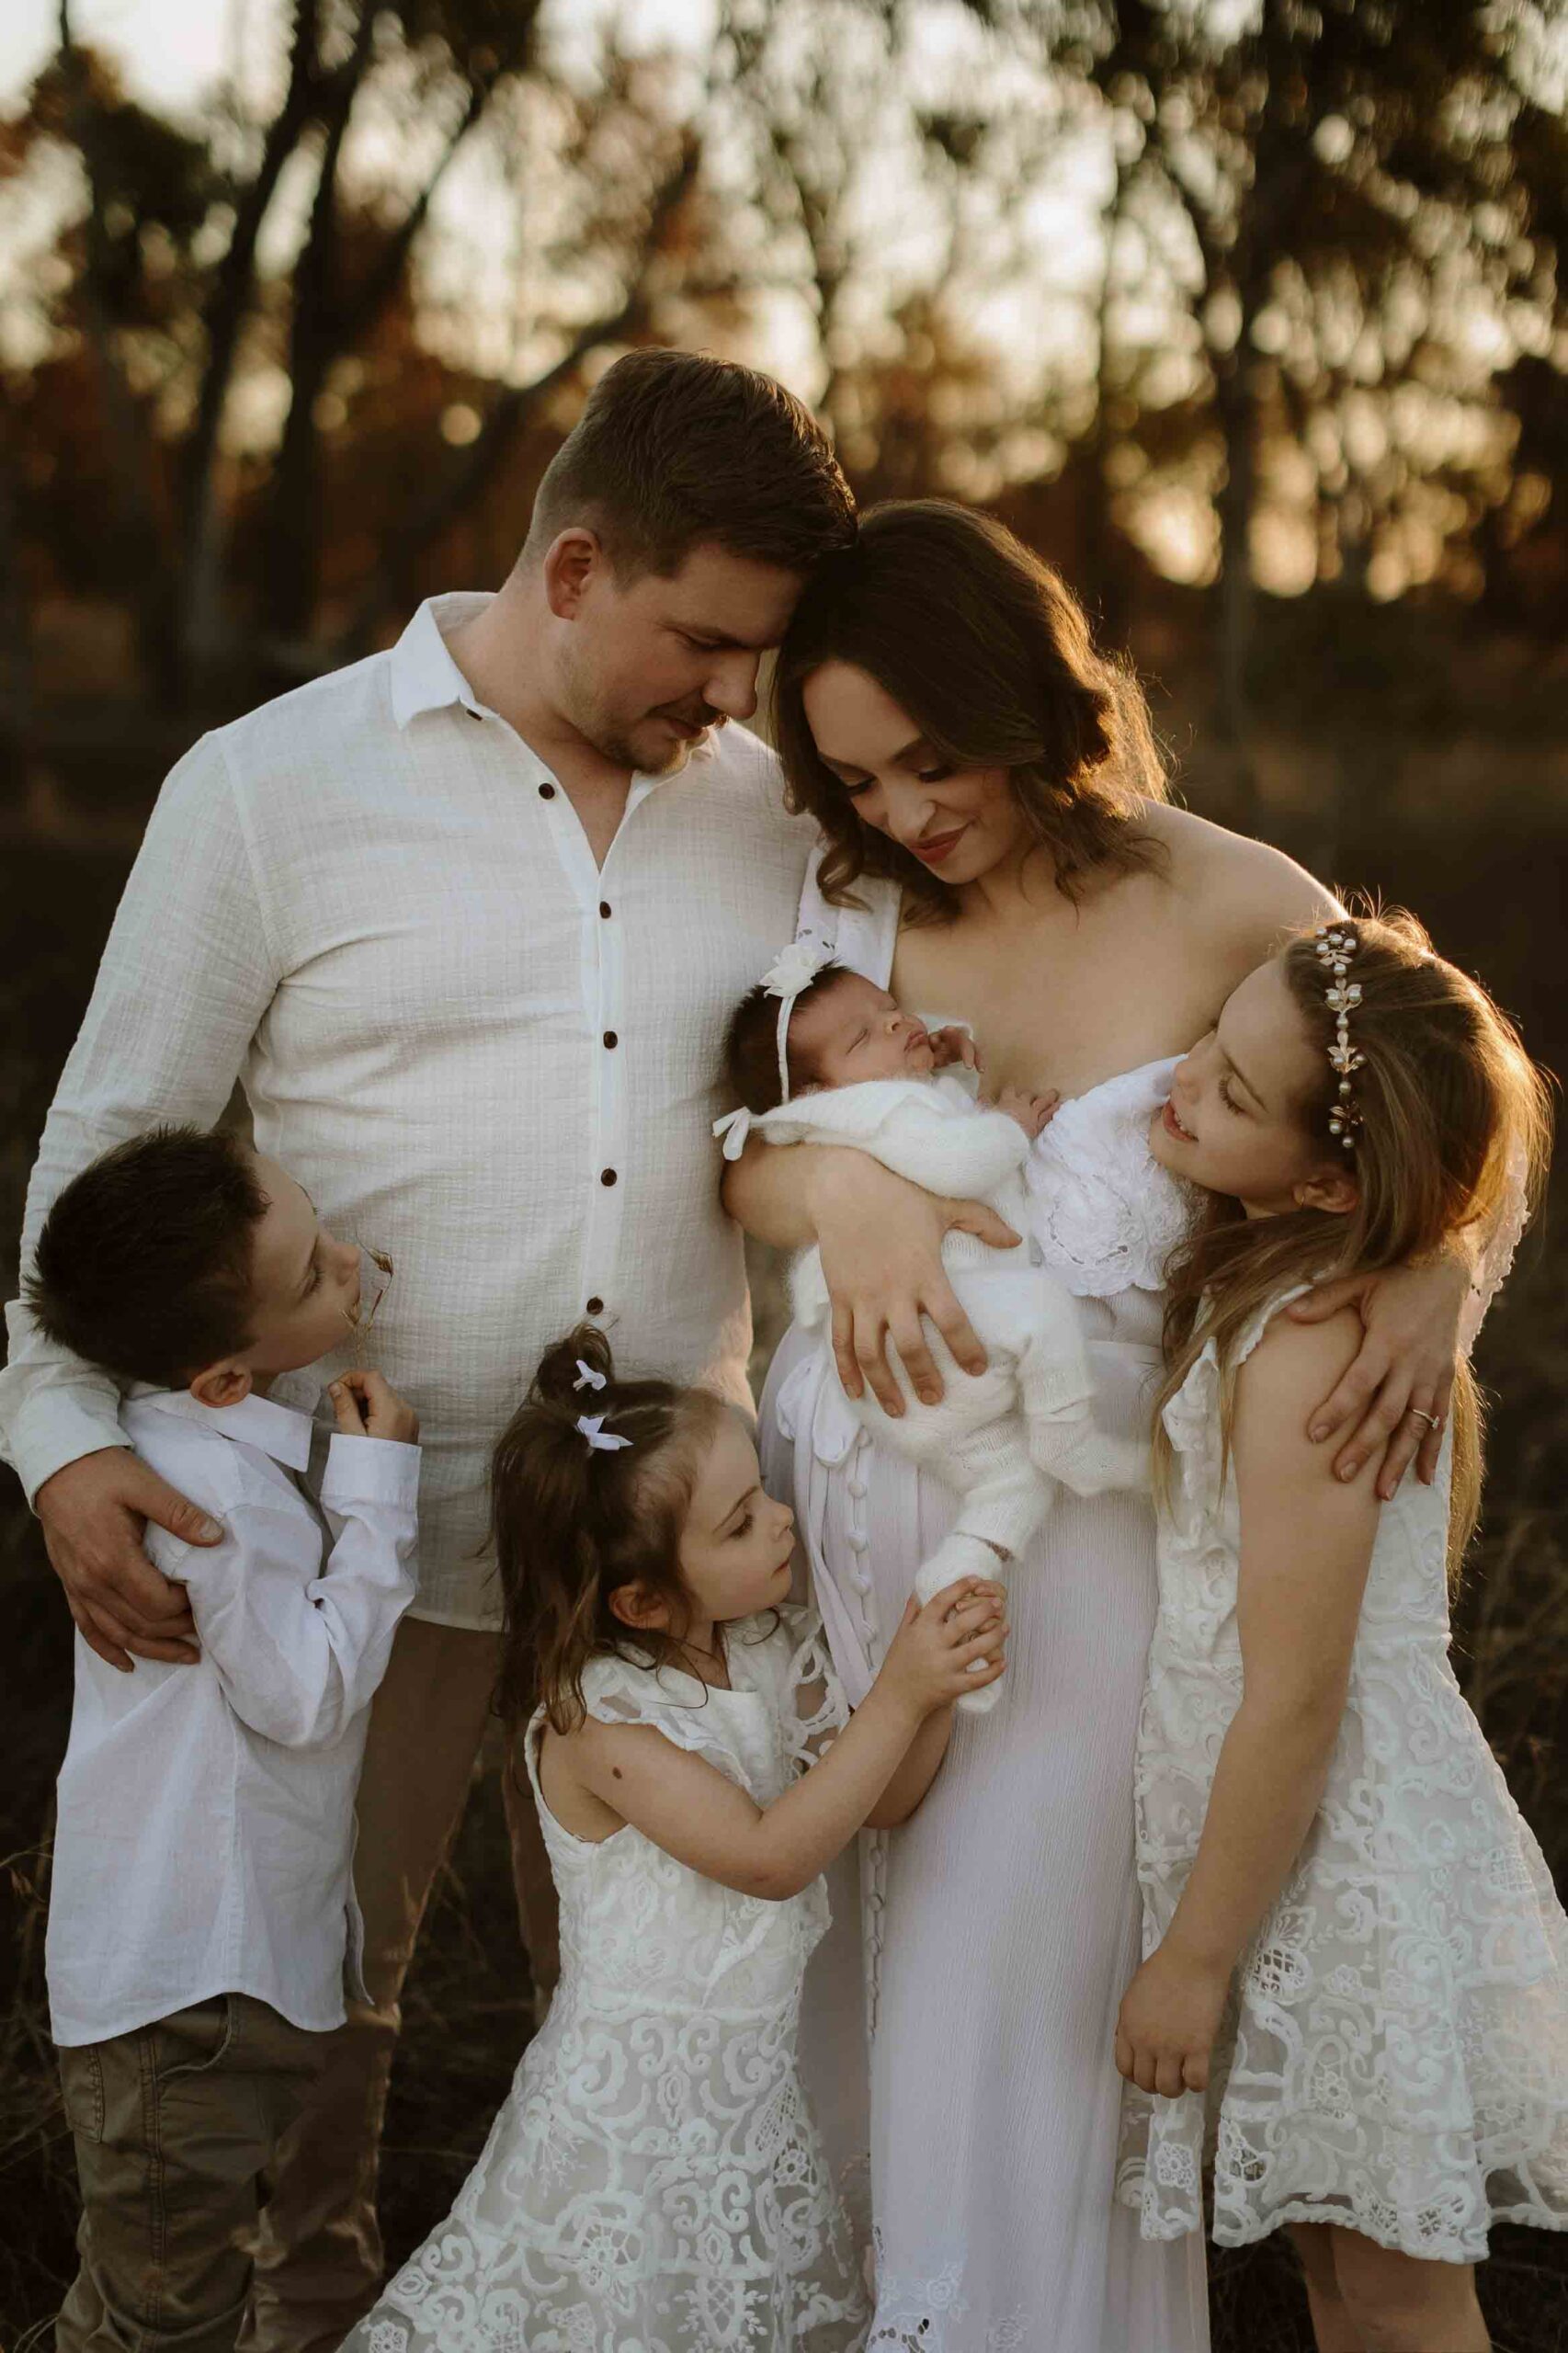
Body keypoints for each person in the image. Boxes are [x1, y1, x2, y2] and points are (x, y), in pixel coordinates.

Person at [0, 349, 857, 2352]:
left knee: (680, 1995)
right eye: (705, 641)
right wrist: (56, 1445)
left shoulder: (770, 818)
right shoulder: (266, 790)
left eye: (760, 653)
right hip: (331, 1541)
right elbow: (101, 1161)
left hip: (663, 1548)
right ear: (575, 568)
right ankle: (307, 2312)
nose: (738, 695)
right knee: (315, 2013)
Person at [725, 501, 1489, 2350]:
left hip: (1078, 1595)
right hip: (832, 1581)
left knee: (1013, 2024)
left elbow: (1428, 1100)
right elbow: (732, 1152)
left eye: (933, 757)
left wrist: (1434, 1273)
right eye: (856, 779)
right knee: (842, 2038)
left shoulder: (1235, 898)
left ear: (1026, 698)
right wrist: (845, 1195)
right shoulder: (845, 910)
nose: (906, 813)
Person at [341, 1324, 1006, 2352]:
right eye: (740, 1523)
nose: (782, 1521)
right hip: (628, 2126)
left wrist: (933, 1692)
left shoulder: (768, 1647)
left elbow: (874, 1800)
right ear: (643, 1599)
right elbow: (768, 1858)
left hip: (746, 2107)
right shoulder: (598, 1723)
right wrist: (900, 1695)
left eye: (764, 1496)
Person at [1118, 914, 1564, 2353]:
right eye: (1209, 1040)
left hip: (1340, 1851)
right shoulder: (1289, 1289)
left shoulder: (1314, 1345)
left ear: (1326, 1179)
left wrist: (1192, 1959)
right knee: (1334, 2271)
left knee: (1394, 2292)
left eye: (1232, 1089)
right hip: (1285, 1841)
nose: (1181, 1081)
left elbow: (1296, 1696)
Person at [28, 1126, 421, 2353]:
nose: (348, 1265)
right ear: (221, 1381)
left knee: (138, 2303)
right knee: (169, 2322)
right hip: (193, 2005)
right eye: (311, 1274)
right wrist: (376, 1495)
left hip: (189, 1989)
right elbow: (304, 1696)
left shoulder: (182, 1445)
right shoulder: (221, 1503)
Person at [716, 944, 1137, 1713]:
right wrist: (1009, 1124)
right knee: (1042, 1311)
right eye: (864, 1035)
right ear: (816, 1093)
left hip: (905, 1377)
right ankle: (1067, 1438)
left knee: (1006, 1487)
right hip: (938, 1331)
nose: (895, 1023)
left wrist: (940, 1060)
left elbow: (925, 1121)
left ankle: (957, 1590)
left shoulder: (865, 1105)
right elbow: (957, 1161)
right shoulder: (872, 1111)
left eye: (889, 1009)